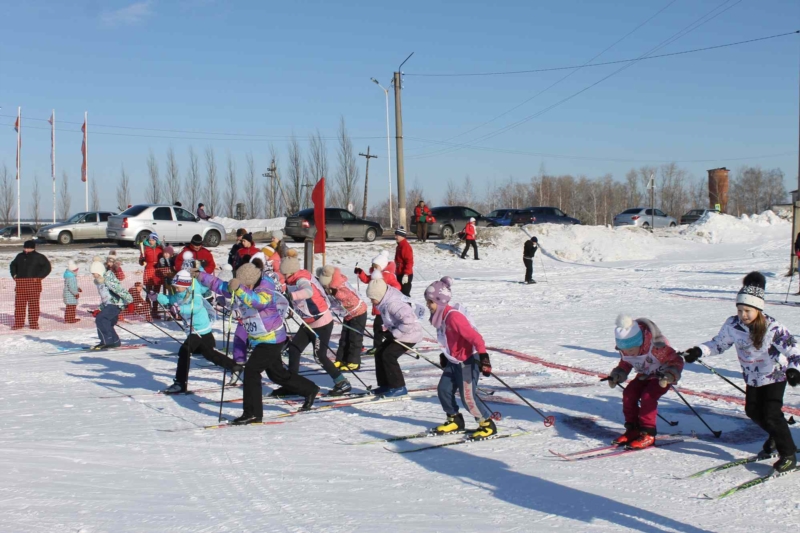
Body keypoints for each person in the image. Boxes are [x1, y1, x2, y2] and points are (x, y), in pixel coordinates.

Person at [683, 272, 800, 472]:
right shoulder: (732, 325)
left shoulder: (773, 328)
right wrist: (698, 350)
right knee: (752, 411)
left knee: (771, 414)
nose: (743, 315)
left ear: (758, 309)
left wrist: (794, 370)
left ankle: (788, 454)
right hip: (752, 377)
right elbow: (718, 344)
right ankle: (775, 435)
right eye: (740, 310)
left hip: (774, 374)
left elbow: (794, 351)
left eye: (747, 310)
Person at [199, 263, 320, 423]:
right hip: (259, 339)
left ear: (252, 281)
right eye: (242, 285)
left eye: (246, 285)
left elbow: (257, 302)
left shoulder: (265, 290)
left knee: (251, 371)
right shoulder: (244, 285)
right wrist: (199, 275)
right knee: (277, 374)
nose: (244, 288)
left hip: (271, 339)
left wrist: (240, 289)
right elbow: (219, 285)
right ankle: (310, 389)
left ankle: (253, 413)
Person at [425, 277, 497, 439]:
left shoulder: (453, 317)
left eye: (430, 302)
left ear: (440, 300)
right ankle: (454, 420)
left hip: (467, 361)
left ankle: (487, 423)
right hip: (453, 360)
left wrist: (484, 358)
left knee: (468, 397)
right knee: (444, 390)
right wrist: (445, 355)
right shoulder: (441, 317)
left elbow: (476, 338)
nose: (428, 306)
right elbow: (448, 339)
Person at [280, 250, 352, 396]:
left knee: (320, 356)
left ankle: (342, 382)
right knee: (294, 349)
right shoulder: (292, 280)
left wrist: (290, 296)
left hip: (322, 323)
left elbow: (308, 292)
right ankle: (292, 384)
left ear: (291, 271)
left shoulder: (301, 280)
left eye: (285, 274)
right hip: (308, 322)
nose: (284, 277)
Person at [157, 270, 242, 394]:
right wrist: (157, 296)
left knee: (184, 352)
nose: (176, 288)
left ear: (185, 285)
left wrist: (180, 308)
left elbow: (196, 307)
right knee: (208, 353)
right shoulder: (179, 294)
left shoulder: (194, 293)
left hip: (198, 328)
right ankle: (234, 366)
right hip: (197, 329)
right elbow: (170, 299)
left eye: (178, 286)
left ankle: (180, 383)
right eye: (175, 286)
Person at [606, 315, 683, 449]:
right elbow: (626, 363)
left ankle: (648, 433)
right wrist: (618, 374)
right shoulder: (626, 350)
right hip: (644, 376)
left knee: (648, 397)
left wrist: (670, 374)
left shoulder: (656, 348)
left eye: (631, 350)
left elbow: (676, 360)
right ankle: (633, 429)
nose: (629, 353)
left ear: (639, 342)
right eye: (624, 351)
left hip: (661, 378)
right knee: (629, 394)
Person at [366, 270, 423, 397]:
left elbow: (409, 321)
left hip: (410, 334)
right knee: (380, 352)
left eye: (372, 299)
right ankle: (386, 384)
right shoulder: (385, 299)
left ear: (379, 295)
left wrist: (394, 334)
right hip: (401, 331)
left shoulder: (393, 303)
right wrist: (386, 330)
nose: (372, 302)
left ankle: (399, 387)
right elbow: (392, 319)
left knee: (388, 355)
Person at [318, 264, 368, 371]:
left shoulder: (339, 285)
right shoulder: (332, 284)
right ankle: (341, 359)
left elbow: (349, 298)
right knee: (344, 337)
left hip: (358, 312)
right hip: (347, 313)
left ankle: (354, 361)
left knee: (354, 338)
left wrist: (335, 293)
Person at [355, 251, 401, 355]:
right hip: (378, 306)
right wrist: (360, 272)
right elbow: (367, 279)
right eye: (373, 266)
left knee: (378, 327)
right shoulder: (376, 274)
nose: (374, 269)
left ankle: (378, 346)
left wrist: (386, 291)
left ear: (382, 266)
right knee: (380, 327)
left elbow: (397, 286)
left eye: (376, 266)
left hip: (385, 306)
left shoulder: (388, 276)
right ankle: (388, 343)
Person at [89, 258, 133, 350]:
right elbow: (106, 298)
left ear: (99, 271)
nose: (93, 275)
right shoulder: (100, 282)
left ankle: (107, 341)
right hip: (110, 304)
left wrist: (129, 300)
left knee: (101, 319)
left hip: (115, 304)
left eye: (94, 273)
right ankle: (114, 341)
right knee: (107, 322)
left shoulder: (108, 279)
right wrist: (100, 309)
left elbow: (119, 289)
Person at [10, 240, 51, 330]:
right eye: (25, 248)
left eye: (28, 248)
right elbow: (13, 265)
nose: (26, 250)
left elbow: (47, 268)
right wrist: (14, 274)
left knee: (34, 305)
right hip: (21, 285)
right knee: (19, 306)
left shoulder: (39, 257)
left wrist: (39, 277)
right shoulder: (19, 256)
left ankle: (33, 323)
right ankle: (18, 323)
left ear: (33, 248)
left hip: (34, 285)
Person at [139, 233, 164, 318]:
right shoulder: (146, 249)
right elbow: (141, 261)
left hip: (157, 271)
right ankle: (148, 310)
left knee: (156, 292)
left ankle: (154, 310)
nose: (151, 242)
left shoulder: (160, 249)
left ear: (156, 240)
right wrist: (142, 260)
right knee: (149, 292)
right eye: (150, 240)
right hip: (149, 270)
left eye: (153, 240)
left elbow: (164, 258)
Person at [394, 227, 414, 296]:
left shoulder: (405, 246)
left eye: (397, 235)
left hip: (405, 274)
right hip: (400, 273)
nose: (395, 237)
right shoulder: (399, 246)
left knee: (405, 295)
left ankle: (408, 306)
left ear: (402, 236)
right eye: (395, 235)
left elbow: (409, 262)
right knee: (400, 294)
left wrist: (406, 274)